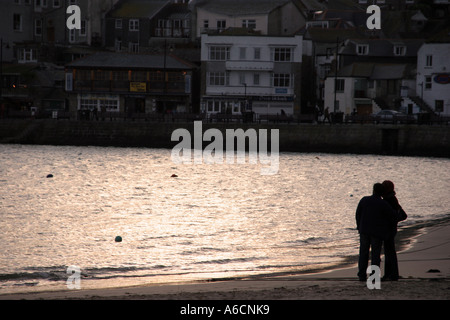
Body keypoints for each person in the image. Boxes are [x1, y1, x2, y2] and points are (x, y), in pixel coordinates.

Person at [355, 183, 399, 281]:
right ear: (382, 192)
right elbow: (393, 216)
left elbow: (358, 214)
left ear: (373, 190)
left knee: (363, 253)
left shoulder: (364, 200)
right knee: (375, 255)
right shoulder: (383, 204)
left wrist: (359, 227)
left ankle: (362, 275)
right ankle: (373, 276)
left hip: (364, 231)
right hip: (377, 233)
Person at [381, 180, 407, 281]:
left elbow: (402, 215)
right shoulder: (392, 199)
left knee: (389, 252)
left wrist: (392, 221)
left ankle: (392, 274)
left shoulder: (389, 200)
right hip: (391, 229)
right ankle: (390, 274)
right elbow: (402, 215)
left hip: (389, 229)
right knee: (389, 251)